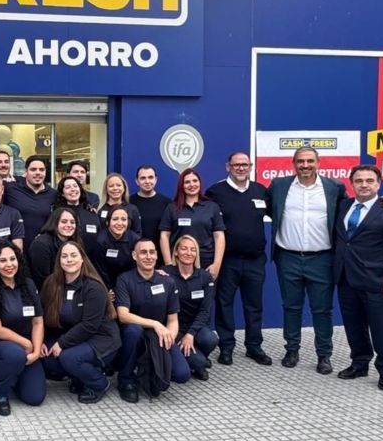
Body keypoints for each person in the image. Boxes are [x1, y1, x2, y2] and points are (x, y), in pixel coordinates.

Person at [268, 146, 346, 374]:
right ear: (293, 163)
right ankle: (292, 349)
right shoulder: (279, 186)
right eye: (300, 161)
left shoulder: (334, 188)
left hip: (322, 259)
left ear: (318, 162)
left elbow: (352, 207)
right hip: (288, 257)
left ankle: (324, 355)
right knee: (291, 307)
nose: (305, 165)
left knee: (322, 310)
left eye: (310, 161)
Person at [333, 165, 383, 391]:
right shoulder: (343, 206)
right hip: (345, 277)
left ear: (379, 184)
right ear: (351, 183)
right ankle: (359, 363)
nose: (364, 184)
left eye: (369, 180)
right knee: (353, 325)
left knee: (382, 329)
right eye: (359, 180)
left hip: (377, 279)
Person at [205, 152, 273, 366]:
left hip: (255, 260)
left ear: (251, 166)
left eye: (245, 165)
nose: (241, 168)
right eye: (237, 165)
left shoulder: (261, 191)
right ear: (228, 167)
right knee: (224, 304)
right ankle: (226, 347)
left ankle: (254, 346)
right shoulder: (215, 192)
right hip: (228, 261)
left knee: (254, 305)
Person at [39, 242, 121, 404]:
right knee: (47, 358)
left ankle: (99, 383)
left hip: (101, 339)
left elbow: (90, 325)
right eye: (64, 256)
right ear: (59, 261)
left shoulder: (93, 287)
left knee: (69, 358)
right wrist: (41, 341)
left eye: (73, 255)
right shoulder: (52, 283)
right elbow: (43, 315)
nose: (69, 260)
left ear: (82, 259)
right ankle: (79, 377)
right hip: (74, 337)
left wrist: (61, 343)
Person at [0, 242, 46, 416]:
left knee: (35, 397)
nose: (9, 264)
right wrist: (26, 344)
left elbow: (38, 322)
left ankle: (7, 374)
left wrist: (35, 351)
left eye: (13, 259)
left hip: (24, 346)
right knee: (14, 354)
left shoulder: (27, 284)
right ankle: (0, 393)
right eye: (3, 260)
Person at [114, 239, 190, 403]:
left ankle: (147, 369)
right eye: (143, 252)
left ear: (157, 255)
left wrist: (169, 336)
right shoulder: (124, 280)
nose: (148, 256)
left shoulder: (168, 281)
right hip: (135, 335)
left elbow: (173, 319)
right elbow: (123, 315)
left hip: (158, 336)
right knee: (134, 330)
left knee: (182, 374)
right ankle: (126, 379)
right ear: (134, 256)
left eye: (152, 252)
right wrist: (156, 324)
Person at [162, 236, 219, 380]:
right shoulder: (165, 273)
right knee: (198, 361)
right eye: (184, 248)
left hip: (194, 326)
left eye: (193, 250)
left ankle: (195, 358)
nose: (189, 253)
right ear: (176, 252)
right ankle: (196, 361)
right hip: (174, 326)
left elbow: (205, 310)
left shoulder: (204, 277)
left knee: (211, 339)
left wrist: (191, 334)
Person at [158, 169, 226, 280]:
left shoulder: (212, 207)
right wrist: (169, 265)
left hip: (206, 263)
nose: (192, 185)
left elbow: (219, 236)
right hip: (178, 264)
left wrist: (216, 264)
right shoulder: (172, 208)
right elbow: (164, 236)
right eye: (187, 182)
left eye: (195, 181)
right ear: (181, 185)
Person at [4, 156, 56, 253]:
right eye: (33, 169)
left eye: (41, 169)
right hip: (14, 250)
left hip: (42, 250)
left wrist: (90, 204)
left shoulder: (53, 195)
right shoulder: (11, 188)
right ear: (26, 171)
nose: (38, 173)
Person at [27, 207, 82, 289]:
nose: (69, 225)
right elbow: (43, 280)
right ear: (54, 223)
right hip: (49, 292)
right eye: (64, 222)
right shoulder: (41, 244)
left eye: (72, 222)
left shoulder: (76, 241)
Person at [91, 204, 139, 289]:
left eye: (124, 219)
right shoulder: (100, 241)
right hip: (107, 282)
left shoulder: (135, 239)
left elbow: (135, 266)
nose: (120, 223)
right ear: (107, 222)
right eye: (115, 219)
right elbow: (101, 270)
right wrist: (108, 289)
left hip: (129, 282)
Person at [53, 176, 101, 254]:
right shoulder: (57, 214)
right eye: (68, 187)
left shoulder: (91, 212)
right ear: (62, 194)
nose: (73, 189)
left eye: (75, 186)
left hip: (92, 260)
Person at [132, 165, 171, 244]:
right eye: (143, 178)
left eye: (150, 177)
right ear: (137, 181)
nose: (147, 181)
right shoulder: (129, 202)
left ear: (156, 180)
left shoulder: (167, 202)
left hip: (159, 252)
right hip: (135, 251)